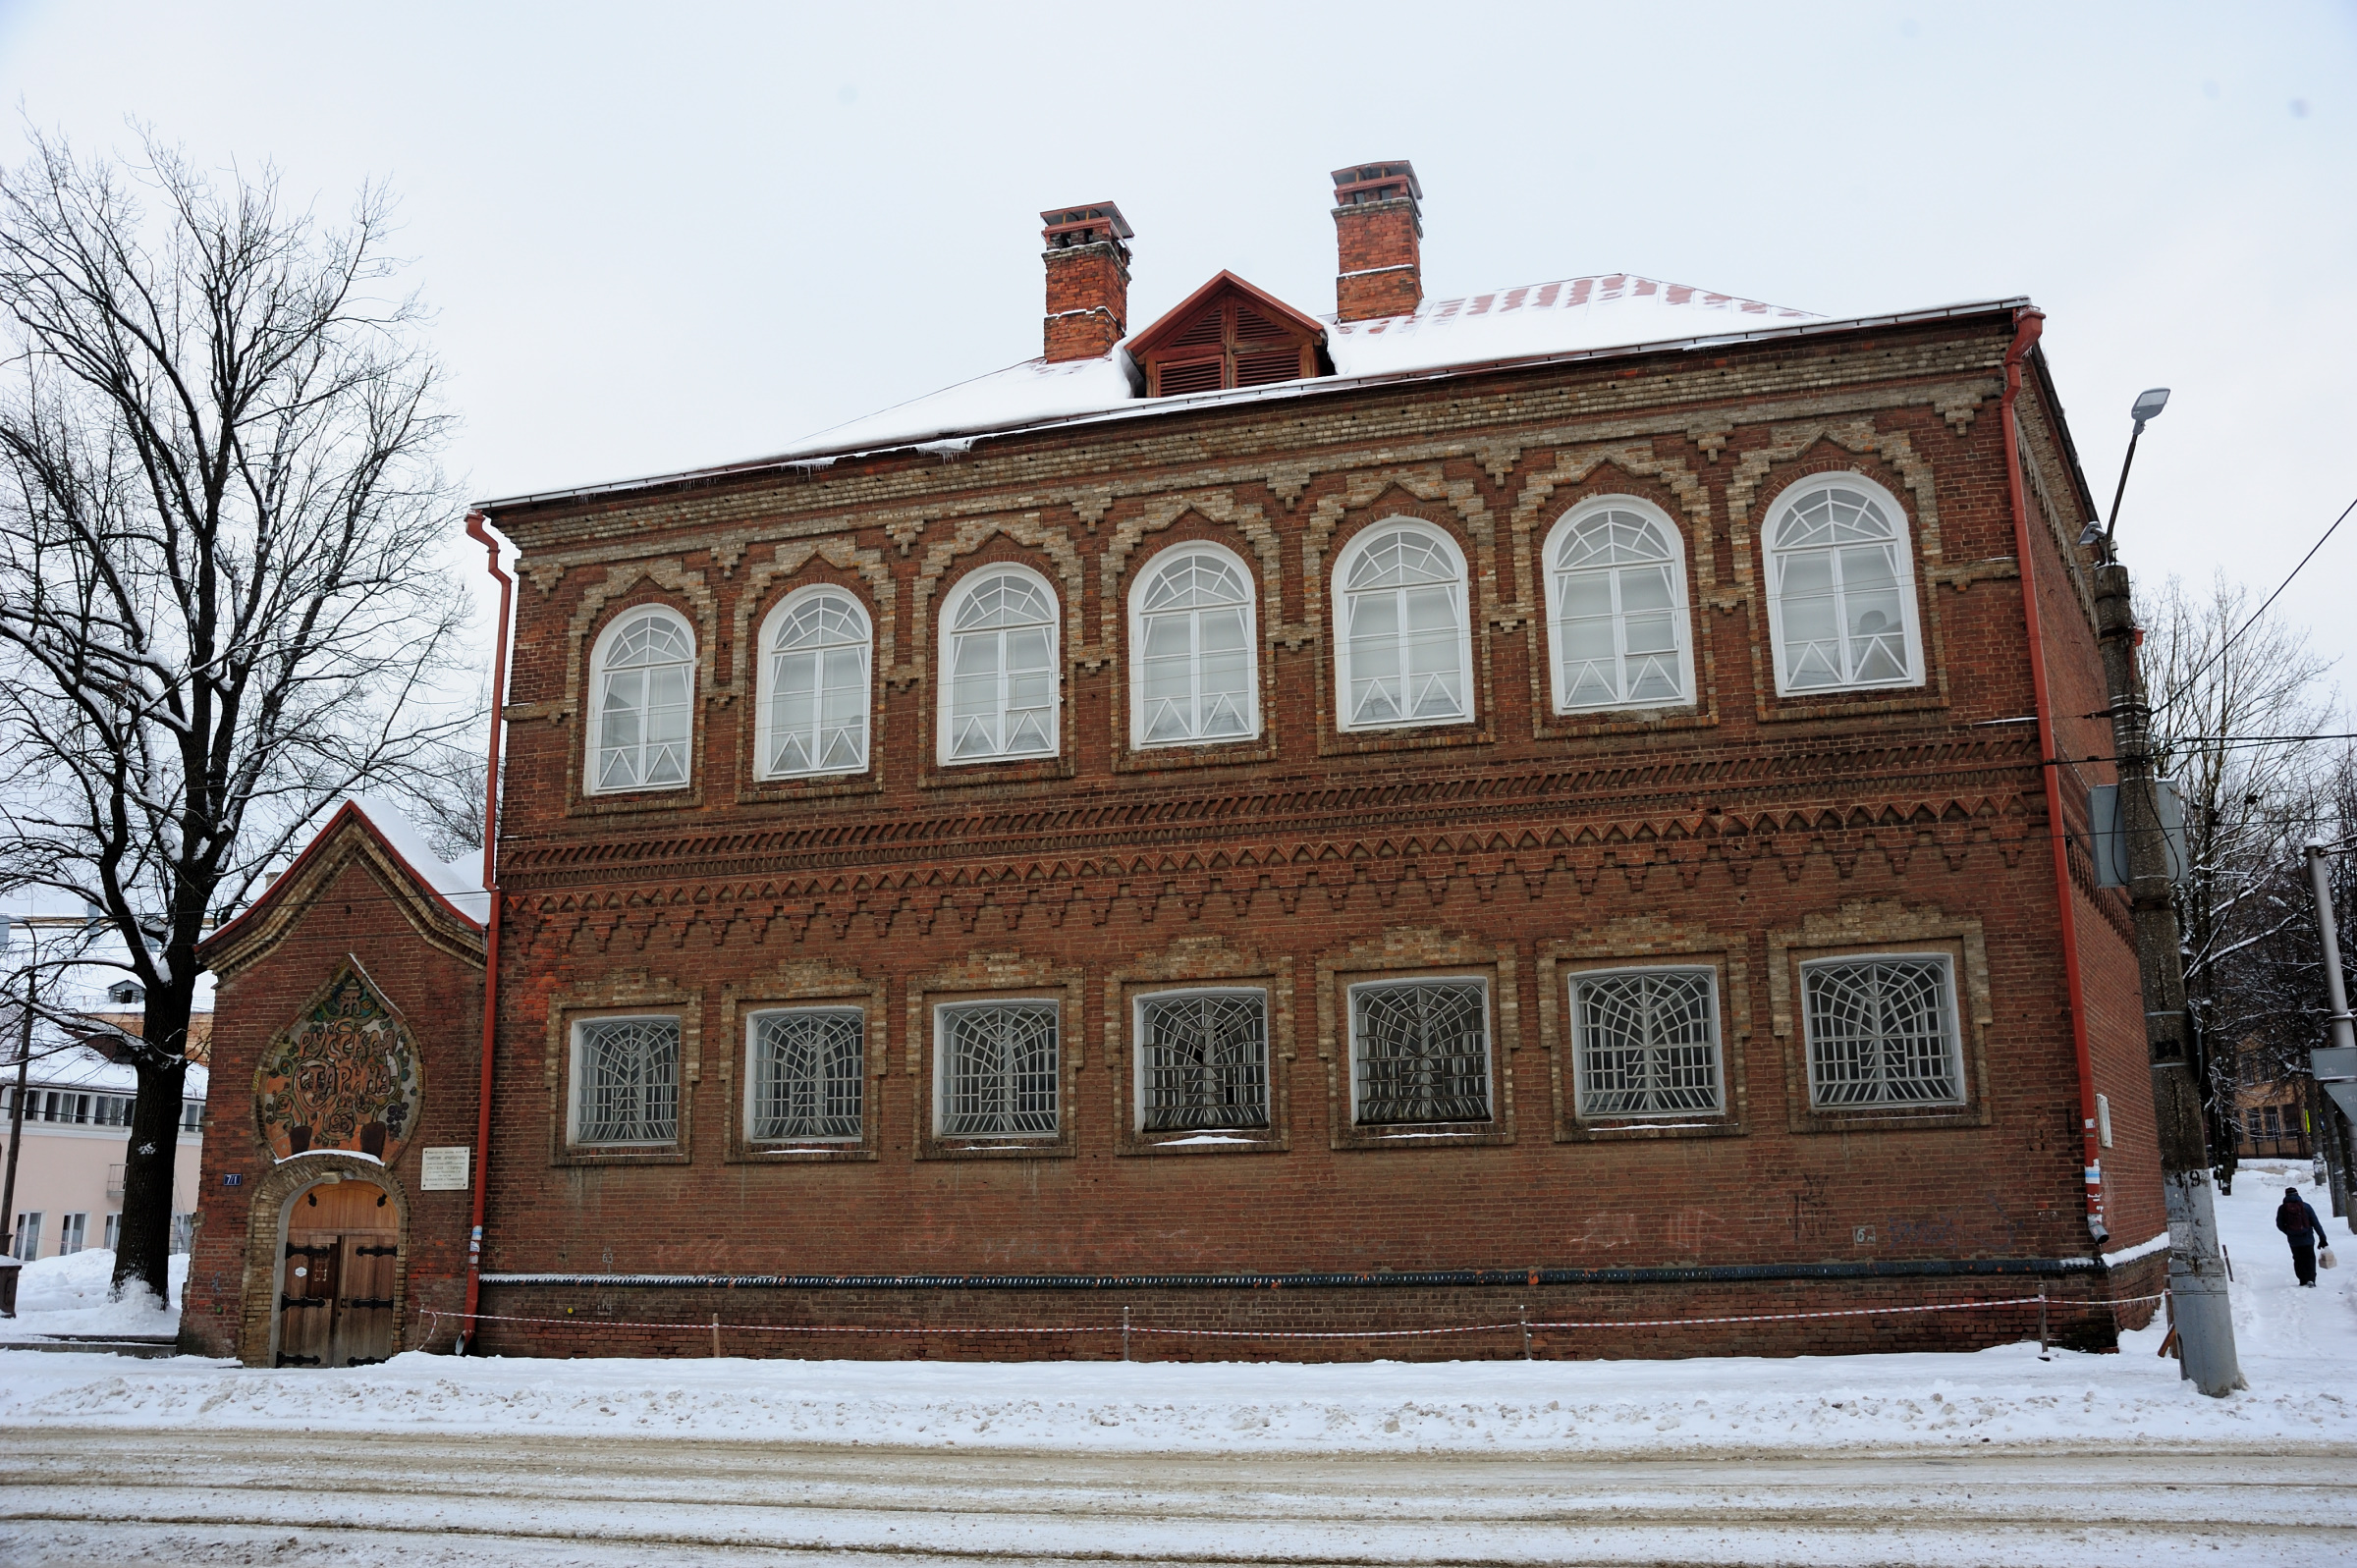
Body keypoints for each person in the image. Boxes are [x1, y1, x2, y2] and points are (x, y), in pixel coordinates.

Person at [2276, 1186, 2330, 1287]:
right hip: (2307, 1237)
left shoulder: (2282, 1208)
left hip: (2293, 1240)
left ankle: (2302, 1279)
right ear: (2297, 1194)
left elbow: (2279, 1224)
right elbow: (2315, 1223)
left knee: (2297, 1258)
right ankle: (2311, 1279)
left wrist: (2289, 1232)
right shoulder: (2306, 1207)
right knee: (2309, 1258)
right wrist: (2322, 1237)